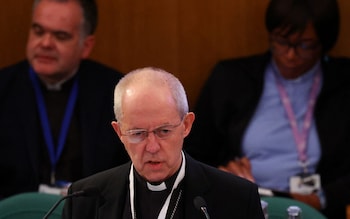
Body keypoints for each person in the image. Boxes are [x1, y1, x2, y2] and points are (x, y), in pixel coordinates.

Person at [185, 0, 350, 218]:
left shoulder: (345, 83)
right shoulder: (231, 79)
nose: (290, 55)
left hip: (314, 209)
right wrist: (222, 177)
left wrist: (323, 198)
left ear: (324, 43)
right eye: (282, 42)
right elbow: (192, 155)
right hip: (242, 203)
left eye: (304, 45)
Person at [62, 67, 264, 219]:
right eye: (138, 133)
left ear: (186, 125)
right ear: (119, 132)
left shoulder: (237, 199)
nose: (152, 147)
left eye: (164, 131)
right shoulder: (83, 200)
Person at [0, 0, 129, 198]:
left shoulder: (118, 93)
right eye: (38, 31)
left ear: (86, 46)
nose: (45, 43)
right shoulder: (4, 87)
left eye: (60, 36)